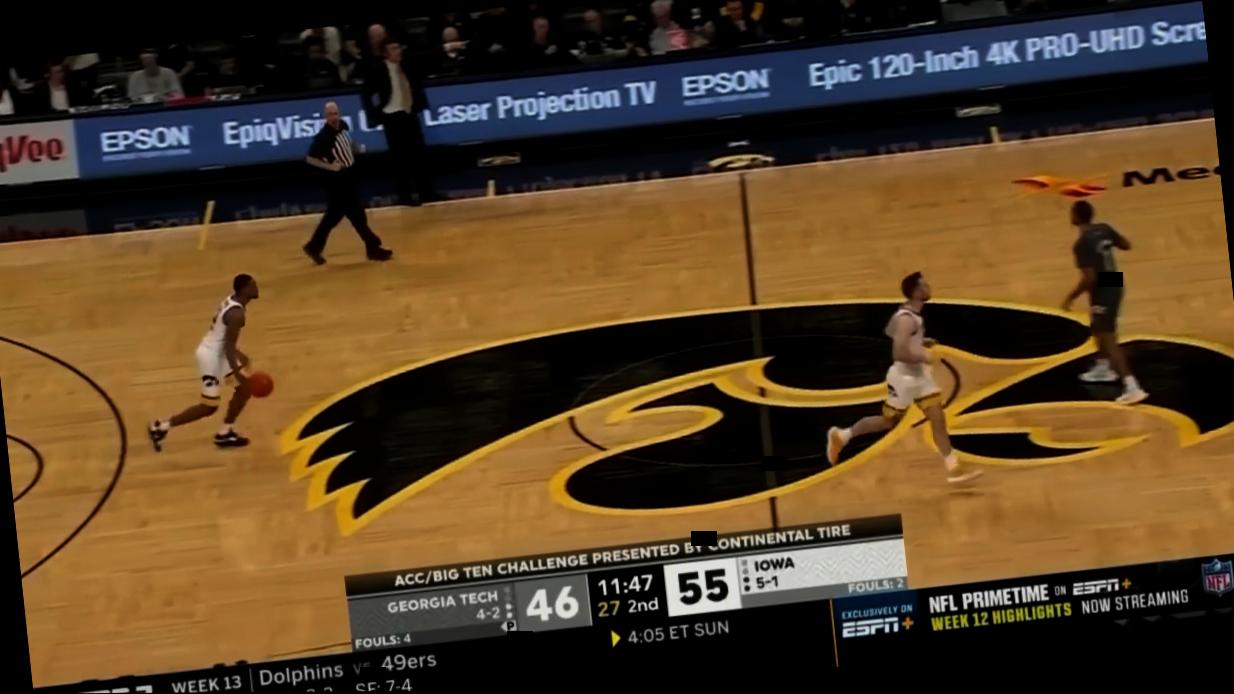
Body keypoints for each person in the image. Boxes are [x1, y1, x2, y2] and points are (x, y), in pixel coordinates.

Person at [827, 272, 982, 484]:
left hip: (921, 378)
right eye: (924, 285)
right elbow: (899, 353)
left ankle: (954, 469)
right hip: (903, 380)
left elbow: (893, 333)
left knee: (938, 420)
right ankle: (842, 436)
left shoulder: (908, 314)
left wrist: (920, 342)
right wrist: (925, 356)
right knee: (887, 422)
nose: (928, 287)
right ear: (916, 291)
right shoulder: (907, 319)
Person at [148, 275, 260, 451]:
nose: (256, 288)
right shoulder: (237, 314)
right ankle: (160, 427)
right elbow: (228, 347)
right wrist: (238, 372)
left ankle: (225, 432)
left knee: (245, 389)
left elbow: (225, 341)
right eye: (253, 285)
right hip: (211, 357)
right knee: (209, 406)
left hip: (217, 352)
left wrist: (241, 358)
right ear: (245, 289)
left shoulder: (233, 301)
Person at [1061, 200, 1147, 404]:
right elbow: (1126, 245)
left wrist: (1071, 297)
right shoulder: (1104, 229)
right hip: (1114, 280)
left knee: (1108, 338)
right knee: (1097, 327)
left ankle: (1132, 386)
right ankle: (1103, 367)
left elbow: (1089, 279)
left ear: (1075, 216)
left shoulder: (1081, 244)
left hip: (1103, 288)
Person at [303, 101, 394, 265]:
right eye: (330, 115)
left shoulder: (343, 126)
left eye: (335, 113)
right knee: (357, 215)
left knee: (333, 217)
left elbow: (348, 142)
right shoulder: (323, 137)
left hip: (349, 177)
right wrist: (331, 167)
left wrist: (356, 149)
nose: (333, 117)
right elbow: (310, 159)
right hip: (337, 182)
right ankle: (373, 247)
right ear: (325, 117)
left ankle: (313, 247)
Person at [361, 37, 440, 206]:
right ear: (385, 53)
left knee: (419, 155)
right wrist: (374, 113)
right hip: (392, 117)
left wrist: (419, 103)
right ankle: (405, 197)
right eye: (393, 48)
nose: (398, 51)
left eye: (398, 47)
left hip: (409, 114)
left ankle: (426, 193)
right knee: (400, 159)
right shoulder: (378, 70)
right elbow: (366, 93)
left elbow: (416, 83)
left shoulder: (407, 65)